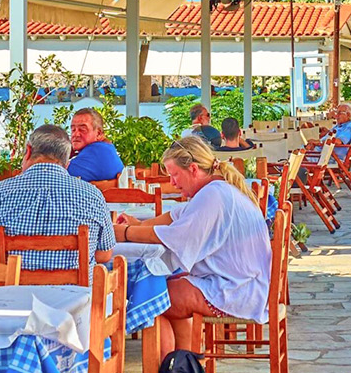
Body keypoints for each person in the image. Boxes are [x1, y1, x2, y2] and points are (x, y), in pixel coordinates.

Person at [115, 136, 271, 354]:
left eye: (175, 174)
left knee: (154, 299)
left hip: (238, 290)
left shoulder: (213, 195)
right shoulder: (216, 189)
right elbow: (173, 217)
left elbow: (177, 236)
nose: (173, 182)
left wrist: (126, 233)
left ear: (194, 169)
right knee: (162, 290)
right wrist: (138, 223)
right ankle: (184, 367)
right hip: (246, 283)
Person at [0, 125, 115, 272]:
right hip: (76, 294)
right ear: (67, 163)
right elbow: (104, 254)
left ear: (28, 151)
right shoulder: (93, 195)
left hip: (12, 293)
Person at [67, 107, 124, 182]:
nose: (76, 134)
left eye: (82, 130)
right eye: (73, 130)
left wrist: (64, 154)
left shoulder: (97, 151)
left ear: (98, 133)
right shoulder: (105, 148)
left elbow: (55, 174)